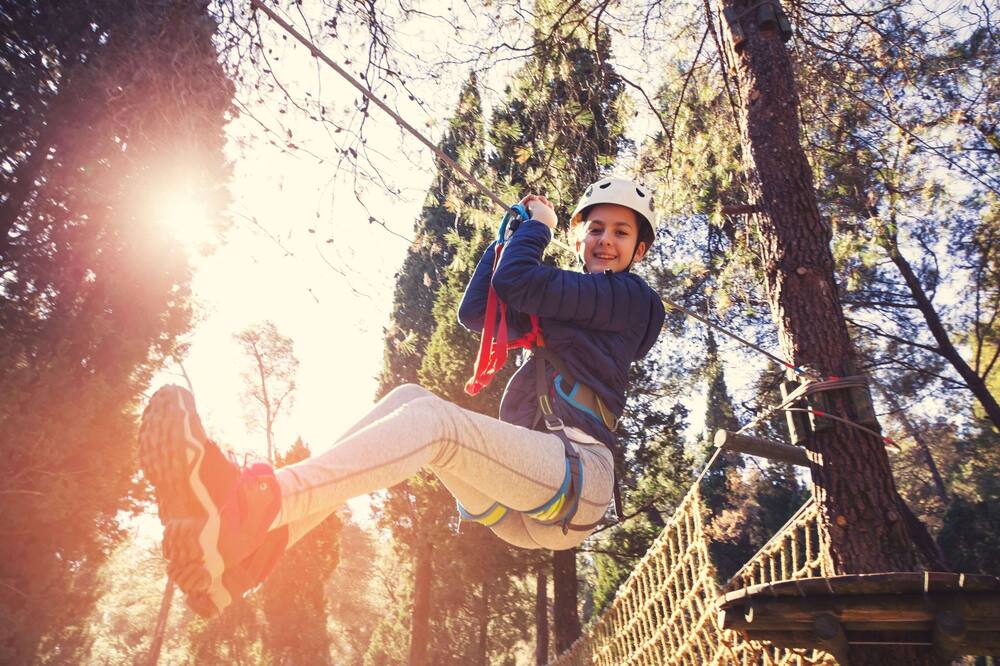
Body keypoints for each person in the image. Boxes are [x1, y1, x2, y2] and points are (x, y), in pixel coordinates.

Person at [138, 176, 666, 617]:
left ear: (638, 251)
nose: (605, 240)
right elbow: (479, 311)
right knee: (409, 395)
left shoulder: (632, 299)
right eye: (595, 228)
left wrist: (539, 227)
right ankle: (249, 558)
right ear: (580, 240)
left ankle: (251, 505)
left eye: (620, 232)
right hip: (523, 498)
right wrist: (504, 241)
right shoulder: (571, 303)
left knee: (438, 425)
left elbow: (523, 284)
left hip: (578, 477)